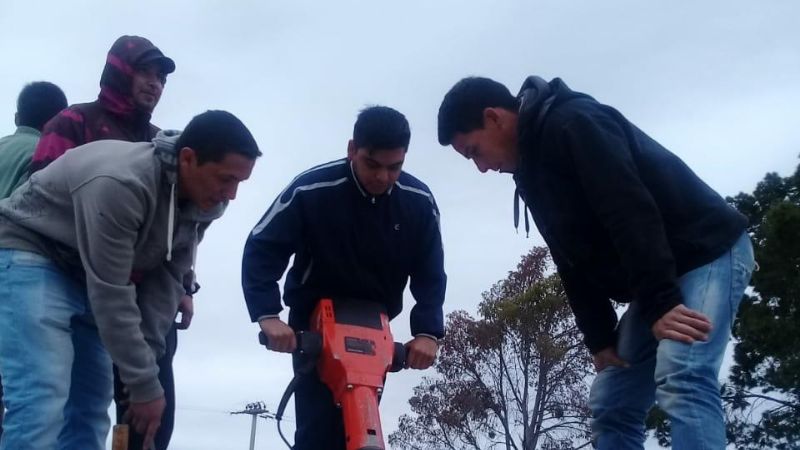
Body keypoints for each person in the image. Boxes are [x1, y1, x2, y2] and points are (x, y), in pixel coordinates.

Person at [437, 76, 754, 450]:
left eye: (474, 151)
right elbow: (569, 256)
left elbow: (630, 212)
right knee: (612, 404)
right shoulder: (529, 171)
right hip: (660, 275)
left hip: (706, 251)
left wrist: (662, 301)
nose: (482, 168)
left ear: (494, 118)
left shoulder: (574, 124)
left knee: (684, 373)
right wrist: (601, 338)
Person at [0, 110, 260, 450]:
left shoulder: (205, 203)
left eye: (240, 183)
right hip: (32, 252)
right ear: (188, 159)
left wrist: (146, 372)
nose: (231, 195)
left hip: (84, 273)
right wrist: (143, 386)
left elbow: (166, 281)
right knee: (43, 398)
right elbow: (111, 290)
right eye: (225, 179)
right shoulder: (122, 183)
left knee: (92, 408)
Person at [242, 105, 446, 449]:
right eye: (372, 164)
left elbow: (430, 270)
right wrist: (268, 315)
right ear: (352, 149)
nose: (383, 177)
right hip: (313, 329)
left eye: (394, 167)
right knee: (318, 435)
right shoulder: (312, 190)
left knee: (362, 426)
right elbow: (263, 246)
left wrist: (427, 332)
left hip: (376, 332)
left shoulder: (419, 202)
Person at [30, 34, 186, 450]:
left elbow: (176, 222)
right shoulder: (73, 122)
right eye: (145, 72)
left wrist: (184, 286)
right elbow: (41, 205)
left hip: (141, 294)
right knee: (66, 403)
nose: (155, 84)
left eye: (161, 77)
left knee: (153, 412)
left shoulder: (163, 145)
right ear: (119, 71)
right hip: (73, 287)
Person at [0, 80, 67, 442]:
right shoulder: (47, 154)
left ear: (16, 116)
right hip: (17, 270)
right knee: (26, 392)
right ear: (60, 119)